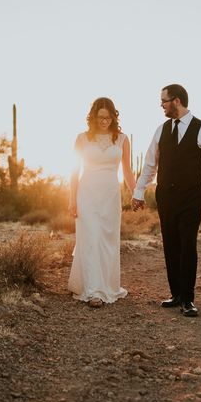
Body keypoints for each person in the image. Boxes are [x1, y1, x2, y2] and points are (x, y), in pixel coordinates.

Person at [132, 84, 201, 317]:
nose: (161, 105)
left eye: (164, 100)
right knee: (170, 243)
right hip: (166, 196)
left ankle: (188, 299)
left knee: (187, 243)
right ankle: (176, 294)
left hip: (191, 196)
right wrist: (139, 191)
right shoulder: (161, 130)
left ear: (177, 101)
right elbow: (150, 164)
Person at [68, 97, 136, 307]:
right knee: (91, 238)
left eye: (108, 117)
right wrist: (72, 199)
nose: (104, 121)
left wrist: (136, 193)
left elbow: (127, 170)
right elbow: (74, 171)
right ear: (93, 117)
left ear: (114, 117)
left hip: (110, 195)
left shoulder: (122, 139)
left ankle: (108, 285)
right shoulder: (82, 138)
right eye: (100, 117)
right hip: (87, 193)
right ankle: (94, 291)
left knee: (107, 240)